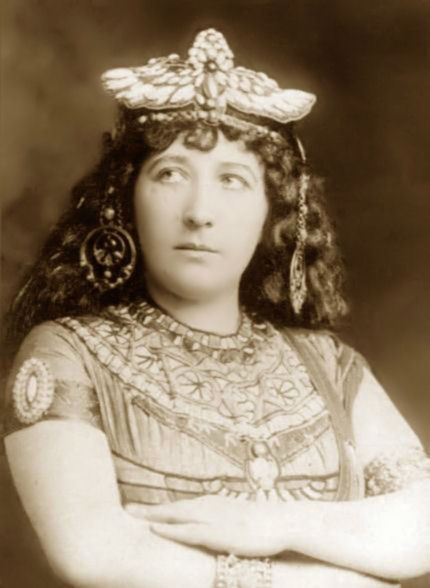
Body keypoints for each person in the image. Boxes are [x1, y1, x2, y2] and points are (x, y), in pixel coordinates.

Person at [2, 28, 430, 588]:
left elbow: (421, 525)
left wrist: (276, 524)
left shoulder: (328, 363)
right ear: (125, 201)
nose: (199, 211)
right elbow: (96, 553)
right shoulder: (67, 353)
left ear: (273, 215)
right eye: (170, 174)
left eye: (233, 180)